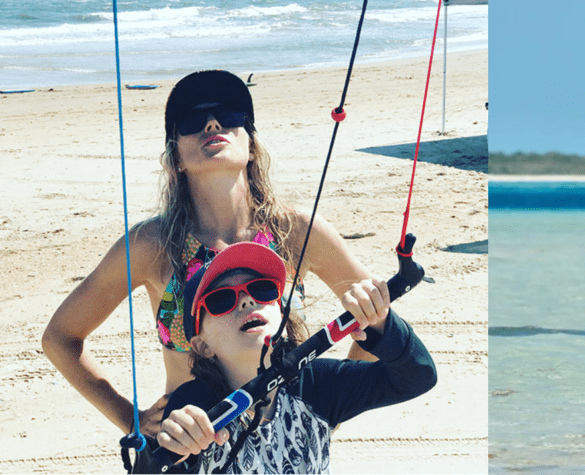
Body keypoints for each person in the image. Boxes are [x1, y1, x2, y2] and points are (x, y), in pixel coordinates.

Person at [43, 70, 382, 438]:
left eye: (231, 114)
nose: (212, 122)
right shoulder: (151, 245)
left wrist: (331, 409)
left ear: (251, 145)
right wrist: (132, 421)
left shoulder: (296, 231)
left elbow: (377, 316)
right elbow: (61, 338)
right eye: (191, 120)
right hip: (191, 448)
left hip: (286, 442)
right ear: (175, 159)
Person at [155, 241, 435, 473]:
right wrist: (178, 441)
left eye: (262, 289)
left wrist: (382, 324)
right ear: (202, 346)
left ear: (281, 312)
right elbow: (164, 463)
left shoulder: (317, 384)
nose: (246, 300)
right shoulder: (194, 403)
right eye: (221, 300)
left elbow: (418, 375)